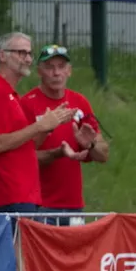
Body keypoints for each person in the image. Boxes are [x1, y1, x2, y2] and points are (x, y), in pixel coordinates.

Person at [0, 32, 74, 215]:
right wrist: (39, 126)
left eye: (29, 54)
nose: (28, 59)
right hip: (10, 194)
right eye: (21, 53)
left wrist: (48, 127)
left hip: (23, 194)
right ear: (2, 55)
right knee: (19, 244)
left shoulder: (10, 94)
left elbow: (25, 146)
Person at [20, 44, 110, 224]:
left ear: (69, 71)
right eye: (49, 67)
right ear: (39, 72)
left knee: (75, 253)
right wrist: (54, 148)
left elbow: (103, 155)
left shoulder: (79, 102)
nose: (56, 73)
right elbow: (21, 159)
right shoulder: (27, 104)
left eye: (61, 67)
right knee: (40, 253)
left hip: (74, 206)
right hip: (39, 206)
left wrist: (90, 144)